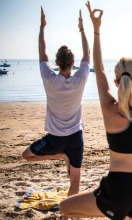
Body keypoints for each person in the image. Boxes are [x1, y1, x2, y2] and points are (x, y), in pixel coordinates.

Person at [59, 0, 132, 219]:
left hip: (117, 188)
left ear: (116, 83)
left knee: (65, 207)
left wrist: (96, 30)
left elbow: (98, 70)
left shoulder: (110, 109)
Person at [22, 7, 90, 198]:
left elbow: (41, 52)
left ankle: (60, 155)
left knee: (26, 155)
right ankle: (66, 216)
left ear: (57, 62)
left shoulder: (49, 78)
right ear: (73, 62)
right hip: (76, 137)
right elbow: (88, 54)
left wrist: (42, 27)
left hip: (55, 138)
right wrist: (82, 29)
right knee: (75, 180)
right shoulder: (80, 79)